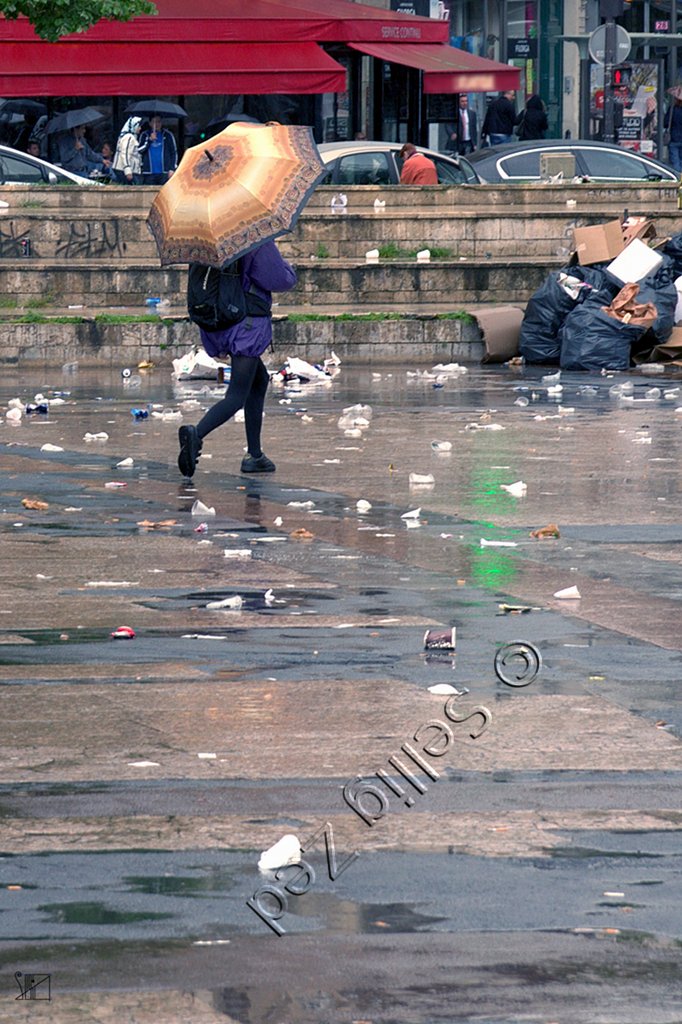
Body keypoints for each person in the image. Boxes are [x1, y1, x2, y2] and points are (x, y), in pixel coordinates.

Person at [177, 240, 297, 478]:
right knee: (236, 396)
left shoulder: (204, 241)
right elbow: (278, 278)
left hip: (220, 323)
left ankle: (255, 455)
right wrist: (290, 270)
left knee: (259, 380)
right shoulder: (252, 239)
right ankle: (196, 434)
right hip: (246, 326)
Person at [139, 116, 178, 184]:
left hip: (164, 172)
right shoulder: (144, 135)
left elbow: (173, 152)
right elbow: (140, 150)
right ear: (150, 123)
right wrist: (149, 140)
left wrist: (172, 169)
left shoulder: (168, 135)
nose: (156, 124)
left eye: (158, 122)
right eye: (154, 122)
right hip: (148, 172)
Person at [111, 116, 145, 184]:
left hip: (125, 169)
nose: (140, 128)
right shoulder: (129, 137)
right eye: (138, 126)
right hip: (123, 170)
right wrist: (127, 170)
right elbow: (125, 154)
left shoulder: (130, 137)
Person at [667, 98, 682, 174]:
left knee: (675, 162)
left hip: (674, 138)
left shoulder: (673, 109)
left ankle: (678, 178)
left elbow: (665, 123)